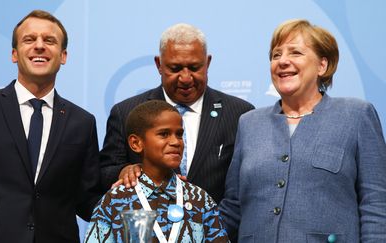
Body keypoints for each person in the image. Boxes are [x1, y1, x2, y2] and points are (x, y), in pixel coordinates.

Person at [219, 19, 386, 242]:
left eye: (295, 53)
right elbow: (233, 206)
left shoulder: (356, 115)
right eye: (276, 55)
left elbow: (376, 203)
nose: (282, 61)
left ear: (322, 66)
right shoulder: (249, 123)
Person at [0, 10, 101, 243]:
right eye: (29, 39)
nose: (40, 46)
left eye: (49, 40)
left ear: (63, 56)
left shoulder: (82, 122)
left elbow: (89, 198)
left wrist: (142, 189)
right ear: (14, 54)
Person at [99, 23, 254, 203]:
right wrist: (124, 170)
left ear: (208, 63)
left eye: (195, 68)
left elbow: (245, 189)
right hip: (147, 228)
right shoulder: (126, 112)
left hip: (217, 228)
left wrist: (210, 228)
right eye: (175, 68)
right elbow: (104, 172)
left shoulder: (240, 114)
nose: (186, 78)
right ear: (159, 64)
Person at [85, 100, 229, 242]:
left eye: (179, 134)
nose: (175, 142)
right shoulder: (115, 201)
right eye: (164, 134)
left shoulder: (199, 199)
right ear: (136, 143)